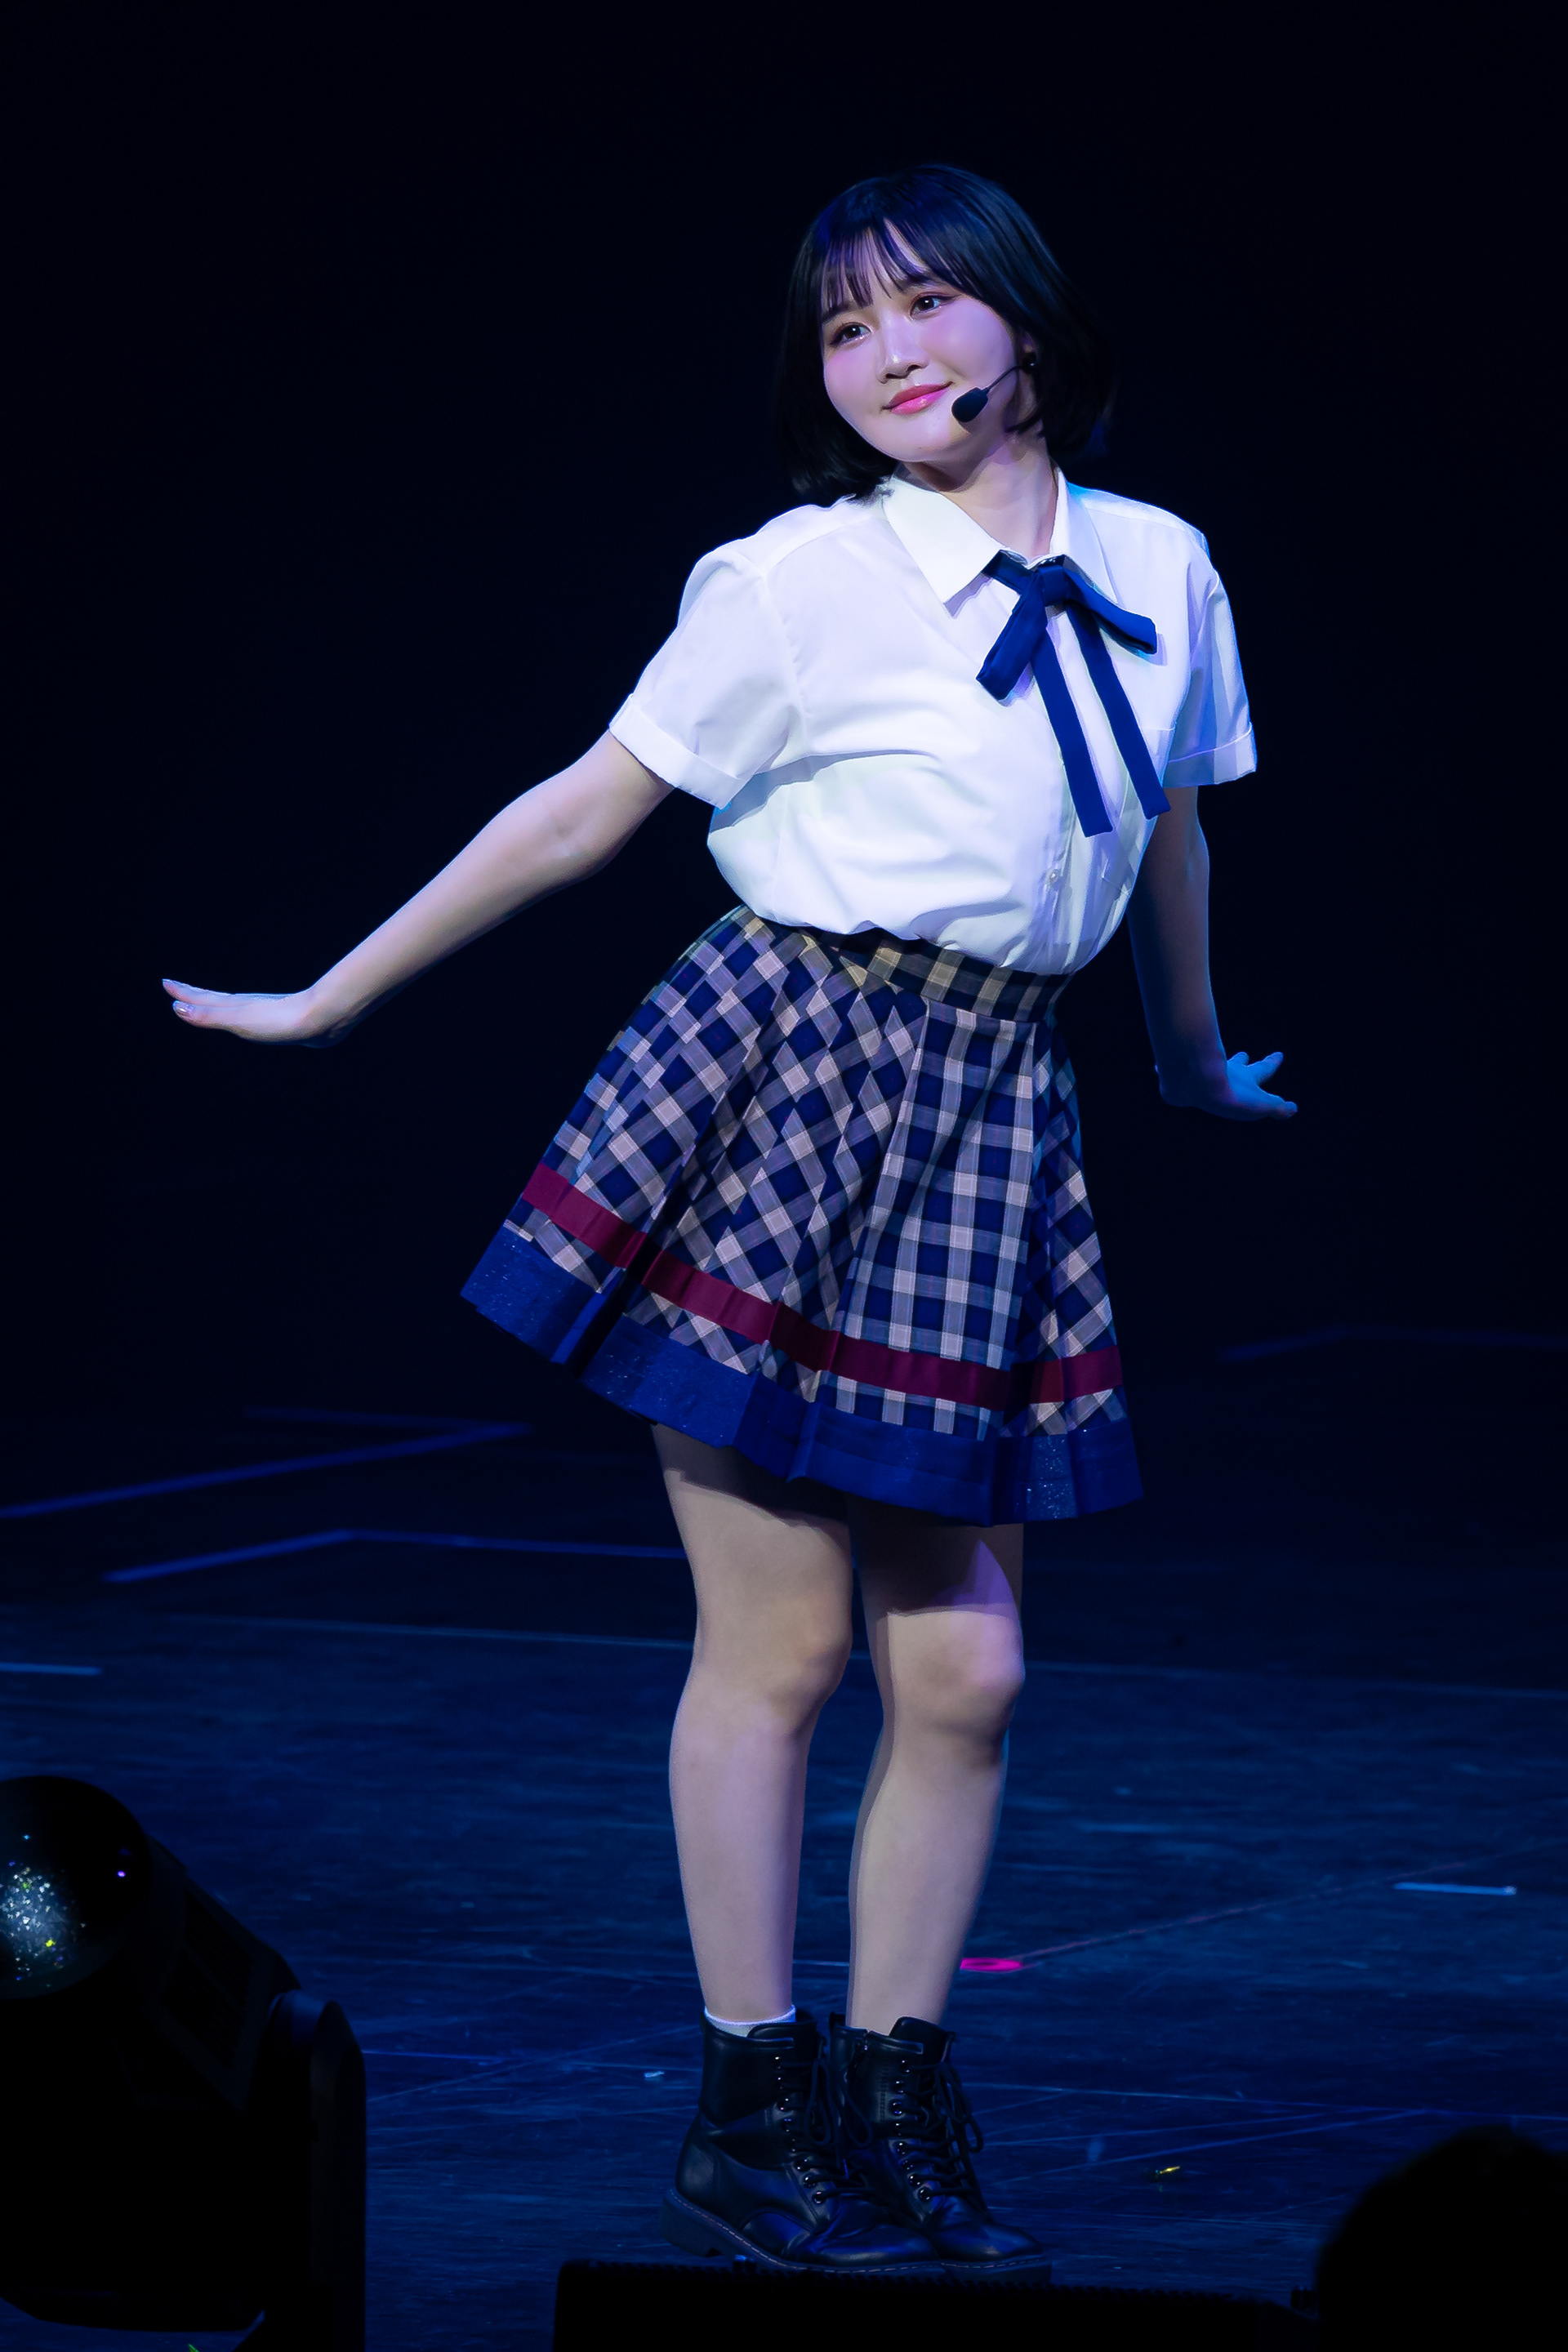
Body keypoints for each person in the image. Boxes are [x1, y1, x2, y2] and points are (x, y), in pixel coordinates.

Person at [164, 163, 1295, 2276]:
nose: (891, 355)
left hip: (994, 1103)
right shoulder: (796, 582)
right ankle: (751, 2108)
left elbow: (1162, 836)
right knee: (783, 1647)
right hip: (790, 1072)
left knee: (967, 1674)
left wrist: (1190, 1060)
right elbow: (583, 811)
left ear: (1024, 319)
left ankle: (898, 2095)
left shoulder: (1164, 563)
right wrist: (330, 998)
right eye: (847, 329)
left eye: (927, 305)